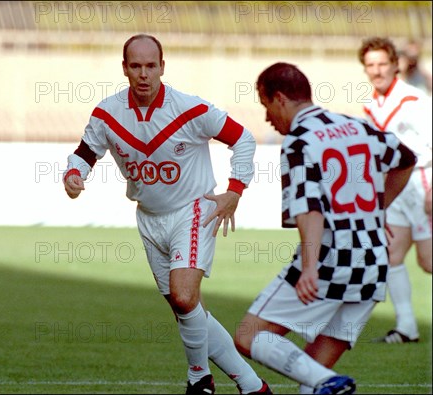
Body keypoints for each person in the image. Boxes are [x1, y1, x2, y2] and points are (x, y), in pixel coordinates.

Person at [63, 34, 271, 395]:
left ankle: (198, 380)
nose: (144, 74)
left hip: (192, 210)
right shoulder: (107, 113)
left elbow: (243, 138)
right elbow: (86, 151)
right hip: (148, 218)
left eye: (151, 65)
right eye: (136, 66)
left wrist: (235, 191)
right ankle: (252, 385)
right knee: (188, 311)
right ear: (124, 69)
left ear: (162, 67)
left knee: (184, 297)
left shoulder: (191, 109)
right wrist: (73, 174)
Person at [232, 62, 417, 394]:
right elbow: (405, 159)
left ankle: (328, 382)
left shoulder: (300, 140)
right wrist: (377, 208)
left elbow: (309, 207)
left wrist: (309, 266)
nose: (266, 118)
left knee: (249, 335)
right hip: (374, 261)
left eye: (265, 107)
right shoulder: (358, 126)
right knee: (311, 374)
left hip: (333, 257)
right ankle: (326, 382)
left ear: (279, 99)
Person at [358, 37, 432, 344]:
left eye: (382, 63)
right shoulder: (370, 105)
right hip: (394, 187)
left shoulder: (414, 99)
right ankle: (406, 327)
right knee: (391, 254)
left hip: (421, 181)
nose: (377, 71)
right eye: (370, 65)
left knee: (429, 262)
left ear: (395, 65)